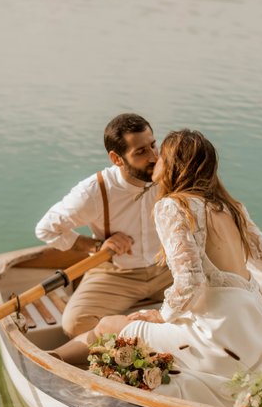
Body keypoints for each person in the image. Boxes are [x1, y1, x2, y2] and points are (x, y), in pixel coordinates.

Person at [92, 129, 262, 407]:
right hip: (256, 333)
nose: (155, 160)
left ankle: (102, 403)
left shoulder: (172, 206)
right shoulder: (233, 208)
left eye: (162, 156)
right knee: (130, 331)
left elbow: (189, 281)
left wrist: (162, 315)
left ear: (175, 166)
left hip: (213, 340)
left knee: (107, 326)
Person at [36, 113, 172, 338]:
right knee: (75, 324)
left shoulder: (167, 176)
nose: (153, 157)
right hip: (118, 274)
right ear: (116, 159)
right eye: (141, 152)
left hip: (167, 268)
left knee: (225, 296)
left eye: (153, 145)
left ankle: (144, 328)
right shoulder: (93, 191)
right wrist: (97, 245)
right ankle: (148, 329)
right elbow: (46, 229)